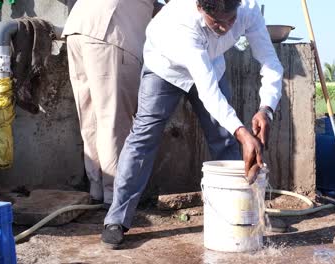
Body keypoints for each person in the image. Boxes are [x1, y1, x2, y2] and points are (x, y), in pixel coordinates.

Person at [102, 0, 283, 249]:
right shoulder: (184, 21)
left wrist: (266, 109)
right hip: (164, 69)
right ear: (200, 8)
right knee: (143, 138)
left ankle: (250, 214)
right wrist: (242, 131)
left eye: (230, 20)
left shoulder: (248, 10)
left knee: (225, 140)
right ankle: (116, 220)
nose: (224, 27)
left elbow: (270, 62)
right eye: (215, 22)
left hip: (211, 65)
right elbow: (208, 92)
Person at [62, 0, 163, 207]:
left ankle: (97, 189)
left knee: (89, 115)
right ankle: (116, 197)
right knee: (113, 119)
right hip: (111, 32)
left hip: (78, 29)